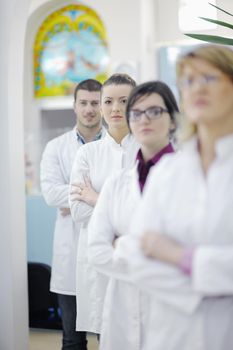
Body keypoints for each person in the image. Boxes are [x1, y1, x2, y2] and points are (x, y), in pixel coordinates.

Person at [116, 45, 233, 350]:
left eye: (209, 78)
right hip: (171, 335)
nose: (197, 88)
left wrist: (181, 257)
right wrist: (213, 285)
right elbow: (136, 257)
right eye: (189, 81)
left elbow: (153, 250)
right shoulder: (169, 171)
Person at [87, 80, 179, 350]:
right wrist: (156, 252)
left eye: (154, 111)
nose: (143, 119)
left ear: (172, 120)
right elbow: (96, 251)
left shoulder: (192, 176)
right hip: (123, 310)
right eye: (136, 113)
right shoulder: (117, 183)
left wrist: (122, 244)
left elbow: (190, 251)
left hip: (174, 309)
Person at [69, 73, 139, 336]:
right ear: (100, 106)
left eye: (124, 100)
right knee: (106, 334)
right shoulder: (87, 153)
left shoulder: (147, 151)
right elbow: (77, 211)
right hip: (99, 260)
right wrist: (126, 211)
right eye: (108, 101)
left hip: (138, 258)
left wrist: (96, 198)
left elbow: (148, 214)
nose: (116, 108)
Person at [40, 78, 104, 350]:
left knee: (112, 337)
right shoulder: (56, 147)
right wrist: (96, 196)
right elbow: (50, 194)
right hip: (70, 257)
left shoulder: (117, 146)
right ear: (74, 106)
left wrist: (77, 202)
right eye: (84, 103)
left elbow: (124, 197)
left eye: (95, 102)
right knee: (72, 340)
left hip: (105, 255)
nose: (89, 109)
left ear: (103, 106)